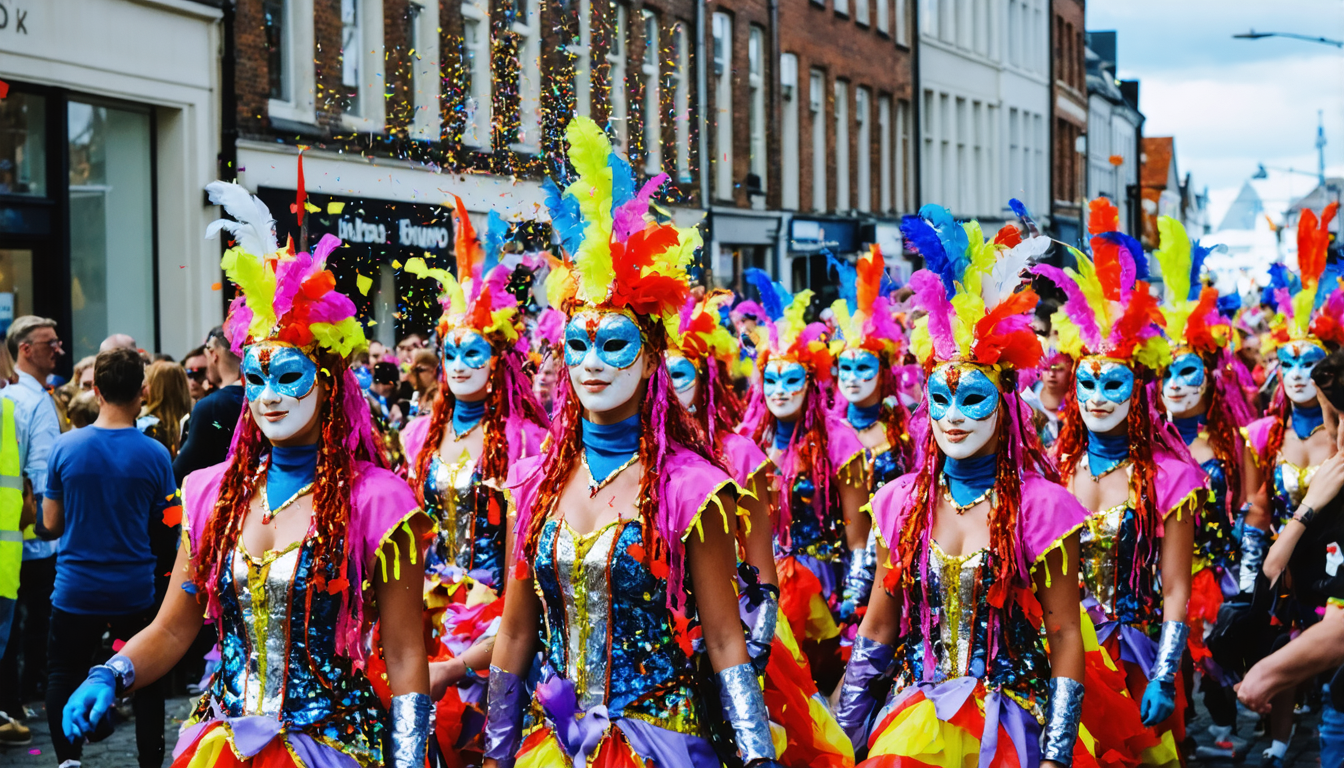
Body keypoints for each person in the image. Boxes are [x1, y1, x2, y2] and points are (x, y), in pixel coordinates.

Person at [61, 179, 435, 768]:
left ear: (330, 382)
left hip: (333, 747)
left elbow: (407, 653)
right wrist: (114, 672)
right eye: (257, 379)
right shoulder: (211, 493)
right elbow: (174, 627)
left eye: (289, 376)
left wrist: (412, 758)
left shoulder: (380, 502)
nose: (270, 397)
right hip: (223, 744)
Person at [485, 117, 778, 768]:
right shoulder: (533, 485)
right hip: (554, 746)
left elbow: (726, 639)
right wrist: (494, 757)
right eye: (579, 344)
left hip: (659, 745)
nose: (592, 363)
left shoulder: (693, 490)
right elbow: (513, 633)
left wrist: (759, 757)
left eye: (613, 344)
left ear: (651, 360)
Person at [836, 207, 1091, 768]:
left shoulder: (1044, 508)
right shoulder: (900, 501)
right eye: (940, 398)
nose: (952, 417)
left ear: (1006, 407)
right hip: (914, 722)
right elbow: (878, 629)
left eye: (972, 399)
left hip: (1013, 722)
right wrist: (843, 736)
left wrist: (1056, 755)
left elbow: (1067, 633)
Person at [1037, 200, 1205, 766]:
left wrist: (1164, 672)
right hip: (1059, 654)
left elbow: (1176, 587)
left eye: (1113, 384)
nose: (1096, 397)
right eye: (1087, 383)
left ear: (1137, 391)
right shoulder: (1052, 471)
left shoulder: (1172, 479)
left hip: (1132, 654)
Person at [398, 202, 551, 764]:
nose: (459, 364)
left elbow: (521, 569)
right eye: (451, 352)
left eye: (473, 351)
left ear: (499, 358)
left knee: (481, 741)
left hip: (496, 617)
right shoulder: (417, 436)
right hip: (426, 607)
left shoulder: (524, 441)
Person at [1236, 203, 1341, 766]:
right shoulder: (1259, 434)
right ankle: (1278, 744)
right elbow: (1255, 507)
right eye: (1287, 361)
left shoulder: (1342, 435)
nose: (1297, 374)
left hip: (1333, 559)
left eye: (1309, 362)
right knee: (1282, 644)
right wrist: (1254, 582)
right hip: (1284, 559)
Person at [38, 347, 176, 768]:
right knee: (147, 680)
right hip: (134, 587)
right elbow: (166, 523)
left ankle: (68, 759)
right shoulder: (155, 455)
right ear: (143, 392)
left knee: (64, 671)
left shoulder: (65, 448)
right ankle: (150, 762)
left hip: (76, 587)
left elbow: (52, 524)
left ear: (96, 390)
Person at [1153, 222, 1256, 757]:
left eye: (1186, 372)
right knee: (1167, 661)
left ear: (1209, 377)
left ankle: (1221, 728)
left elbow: (1249, 505)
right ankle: (1178, 735)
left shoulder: (1231, 441)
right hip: (1163, 573)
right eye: (1166, 373)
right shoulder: (1150, 446)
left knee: (1212, 658)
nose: (1174, 384)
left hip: (1215, 572)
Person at [739, 268, 868, 690]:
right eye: (771, 379)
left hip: (823, 586)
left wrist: (851, 603)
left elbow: (858, 537)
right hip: (760, 583)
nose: (779, 390)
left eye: (791, 379)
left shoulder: (839, 440)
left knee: (813, 691)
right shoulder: (747, 442)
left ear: (810, 383)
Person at [0, 316, 64, 724]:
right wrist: (48, 523)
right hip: (30, 535)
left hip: (14, 537)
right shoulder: (30, 400)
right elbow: (43, 472)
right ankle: (20, 697)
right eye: (50, 343)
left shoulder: (20, 399)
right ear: (25, 349)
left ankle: (11, 700)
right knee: (31, 624)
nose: (58, 348)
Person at [171, 327, 244, 486]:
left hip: (219, 501)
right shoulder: (261, 397)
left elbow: (180, 472)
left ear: (213, 354)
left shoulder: (211, 407)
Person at [138, 361, 193, 458]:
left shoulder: (146, 426)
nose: (142, 388)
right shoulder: (190, 423)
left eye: (146, 384)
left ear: (157, 389)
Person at [406, 348, 438, 418]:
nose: (415, 374)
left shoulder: (438, 396)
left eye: (419, 370)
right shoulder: (416, 395)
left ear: (434, 371)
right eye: (414, 370)